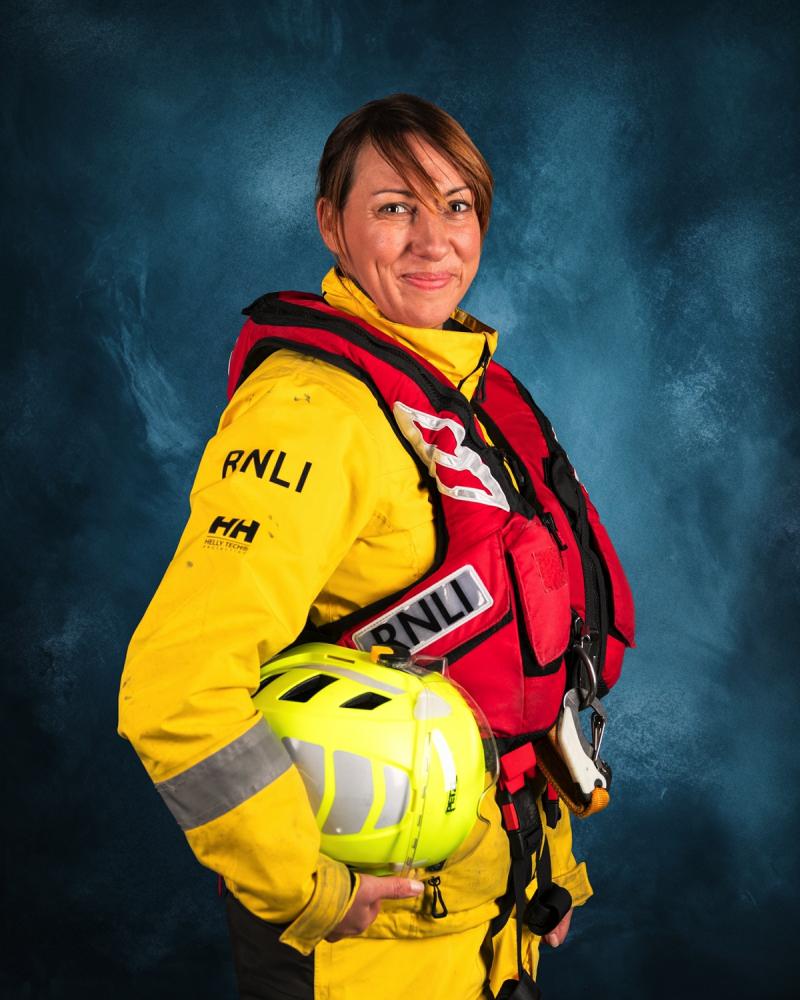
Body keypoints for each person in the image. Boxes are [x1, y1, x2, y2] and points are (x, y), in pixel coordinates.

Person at [118, 93, 635, 1000]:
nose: (432, 240)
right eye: (394, 207)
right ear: (332, 224)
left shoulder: (469, 393)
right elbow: (178, 686)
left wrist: (546, 879)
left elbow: (500, 674)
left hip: (490, 924)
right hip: (364, 951)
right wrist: (305, 890)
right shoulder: (314, 412)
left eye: (456, 205)